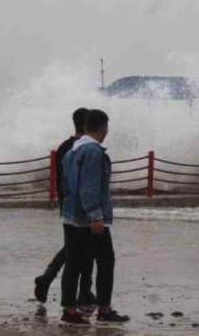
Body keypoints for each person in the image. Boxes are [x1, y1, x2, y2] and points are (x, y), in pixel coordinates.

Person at [60, 109, 129, 324]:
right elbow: (89, 188)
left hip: (71, 216)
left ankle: (69, 310)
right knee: (106, 261)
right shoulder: (93, 151)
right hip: (89, 219)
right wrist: (96, 216)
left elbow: (68, 185)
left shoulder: (72, 150)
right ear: (103, 127)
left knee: (73, 263)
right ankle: (104, 309)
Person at [33, 108, 96, 312]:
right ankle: (76, 291)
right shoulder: (83, 148)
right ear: (88, 125)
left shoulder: (64, 147)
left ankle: (70, 286)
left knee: (79, 247)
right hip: (80, 205)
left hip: (66, 203)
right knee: (82, 248)